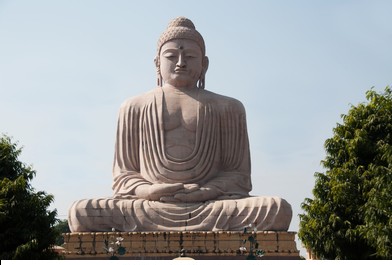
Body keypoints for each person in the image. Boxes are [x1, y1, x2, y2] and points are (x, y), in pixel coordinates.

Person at [68, 17, 292, 232]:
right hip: (148, 205)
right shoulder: (133, 106)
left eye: (191, 57)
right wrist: (148, 190)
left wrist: (206, 191)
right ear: (157, 63)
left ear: (204, 64)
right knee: (80, 213)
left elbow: (238, 175)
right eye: (171, 56)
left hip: (211, 205)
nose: (181, 63)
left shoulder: (229, 107)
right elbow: (124, 175)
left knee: (277, 209)